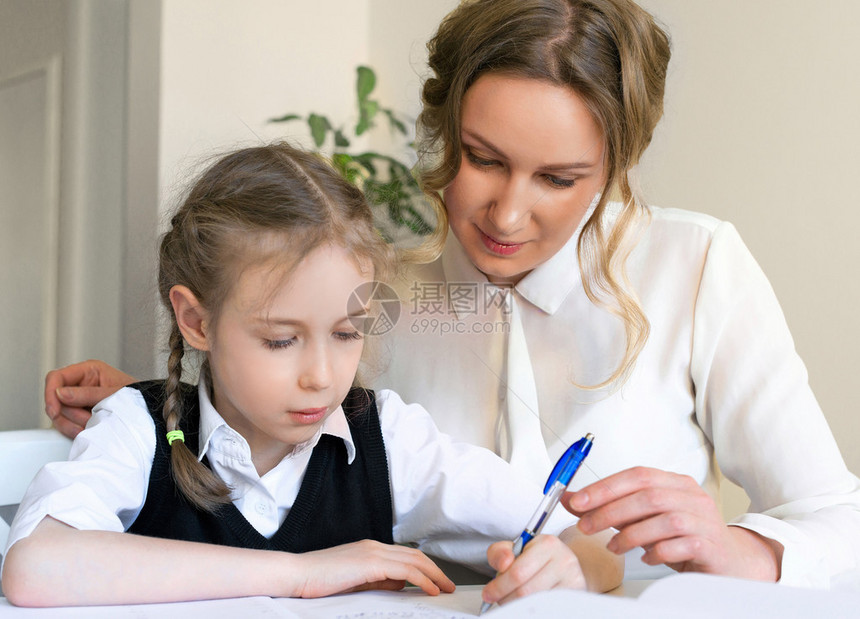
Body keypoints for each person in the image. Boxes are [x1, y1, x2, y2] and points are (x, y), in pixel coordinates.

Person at [41, 0, 860, 589]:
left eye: (559, 178)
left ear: (616, 164)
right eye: (483, 158)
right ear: (444, 132)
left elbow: (841, 524)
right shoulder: (378, 293)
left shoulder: (697, 264)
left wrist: (737, 548)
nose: (506, 213)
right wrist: (162, 406)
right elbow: (282, 417)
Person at [1, 143, 623, 607]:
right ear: (196, 321)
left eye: (348, 334)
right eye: (280, 339)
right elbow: (36, 568)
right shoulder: (139, 428)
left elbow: (593, 546)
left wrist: (572, 568)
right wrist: (300, 573)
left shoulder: (389, 440)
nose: (322, 377)